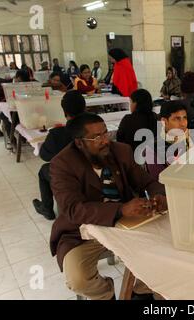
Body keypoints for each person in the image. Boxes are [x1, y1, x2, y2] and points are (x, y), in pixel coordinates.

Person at [49, 112, 167, 300]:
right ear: (79, 143)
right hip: (81, 231)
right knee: (77, 280)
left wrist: (158, 194)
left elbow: (146, 182)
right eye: (97, 137)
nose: (105, 141)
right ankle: (105, 293)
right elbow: (73, 209)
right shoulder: (61, 165)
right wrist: (120, 209)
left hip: (127, 225)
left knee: (165, 253)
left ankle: (141, 291)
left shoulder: (120, 151)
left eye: (106, 133)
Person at [33, 91, 86, 220]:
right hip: (90, 170)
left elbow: (45, 156)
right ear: (85, 107)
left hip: (67, 176)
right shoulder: (94, 127)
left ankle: (47, 208)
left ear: (64, 112)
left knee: (44, 170)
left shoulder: (57, 133)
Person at [146, 101, 192, 181]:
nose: (183, 124)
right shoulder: (153, 149)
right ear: (164, 121)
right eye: (177, 119)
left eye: (185, 118)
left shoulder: (193, 139)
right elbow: (160, 180)